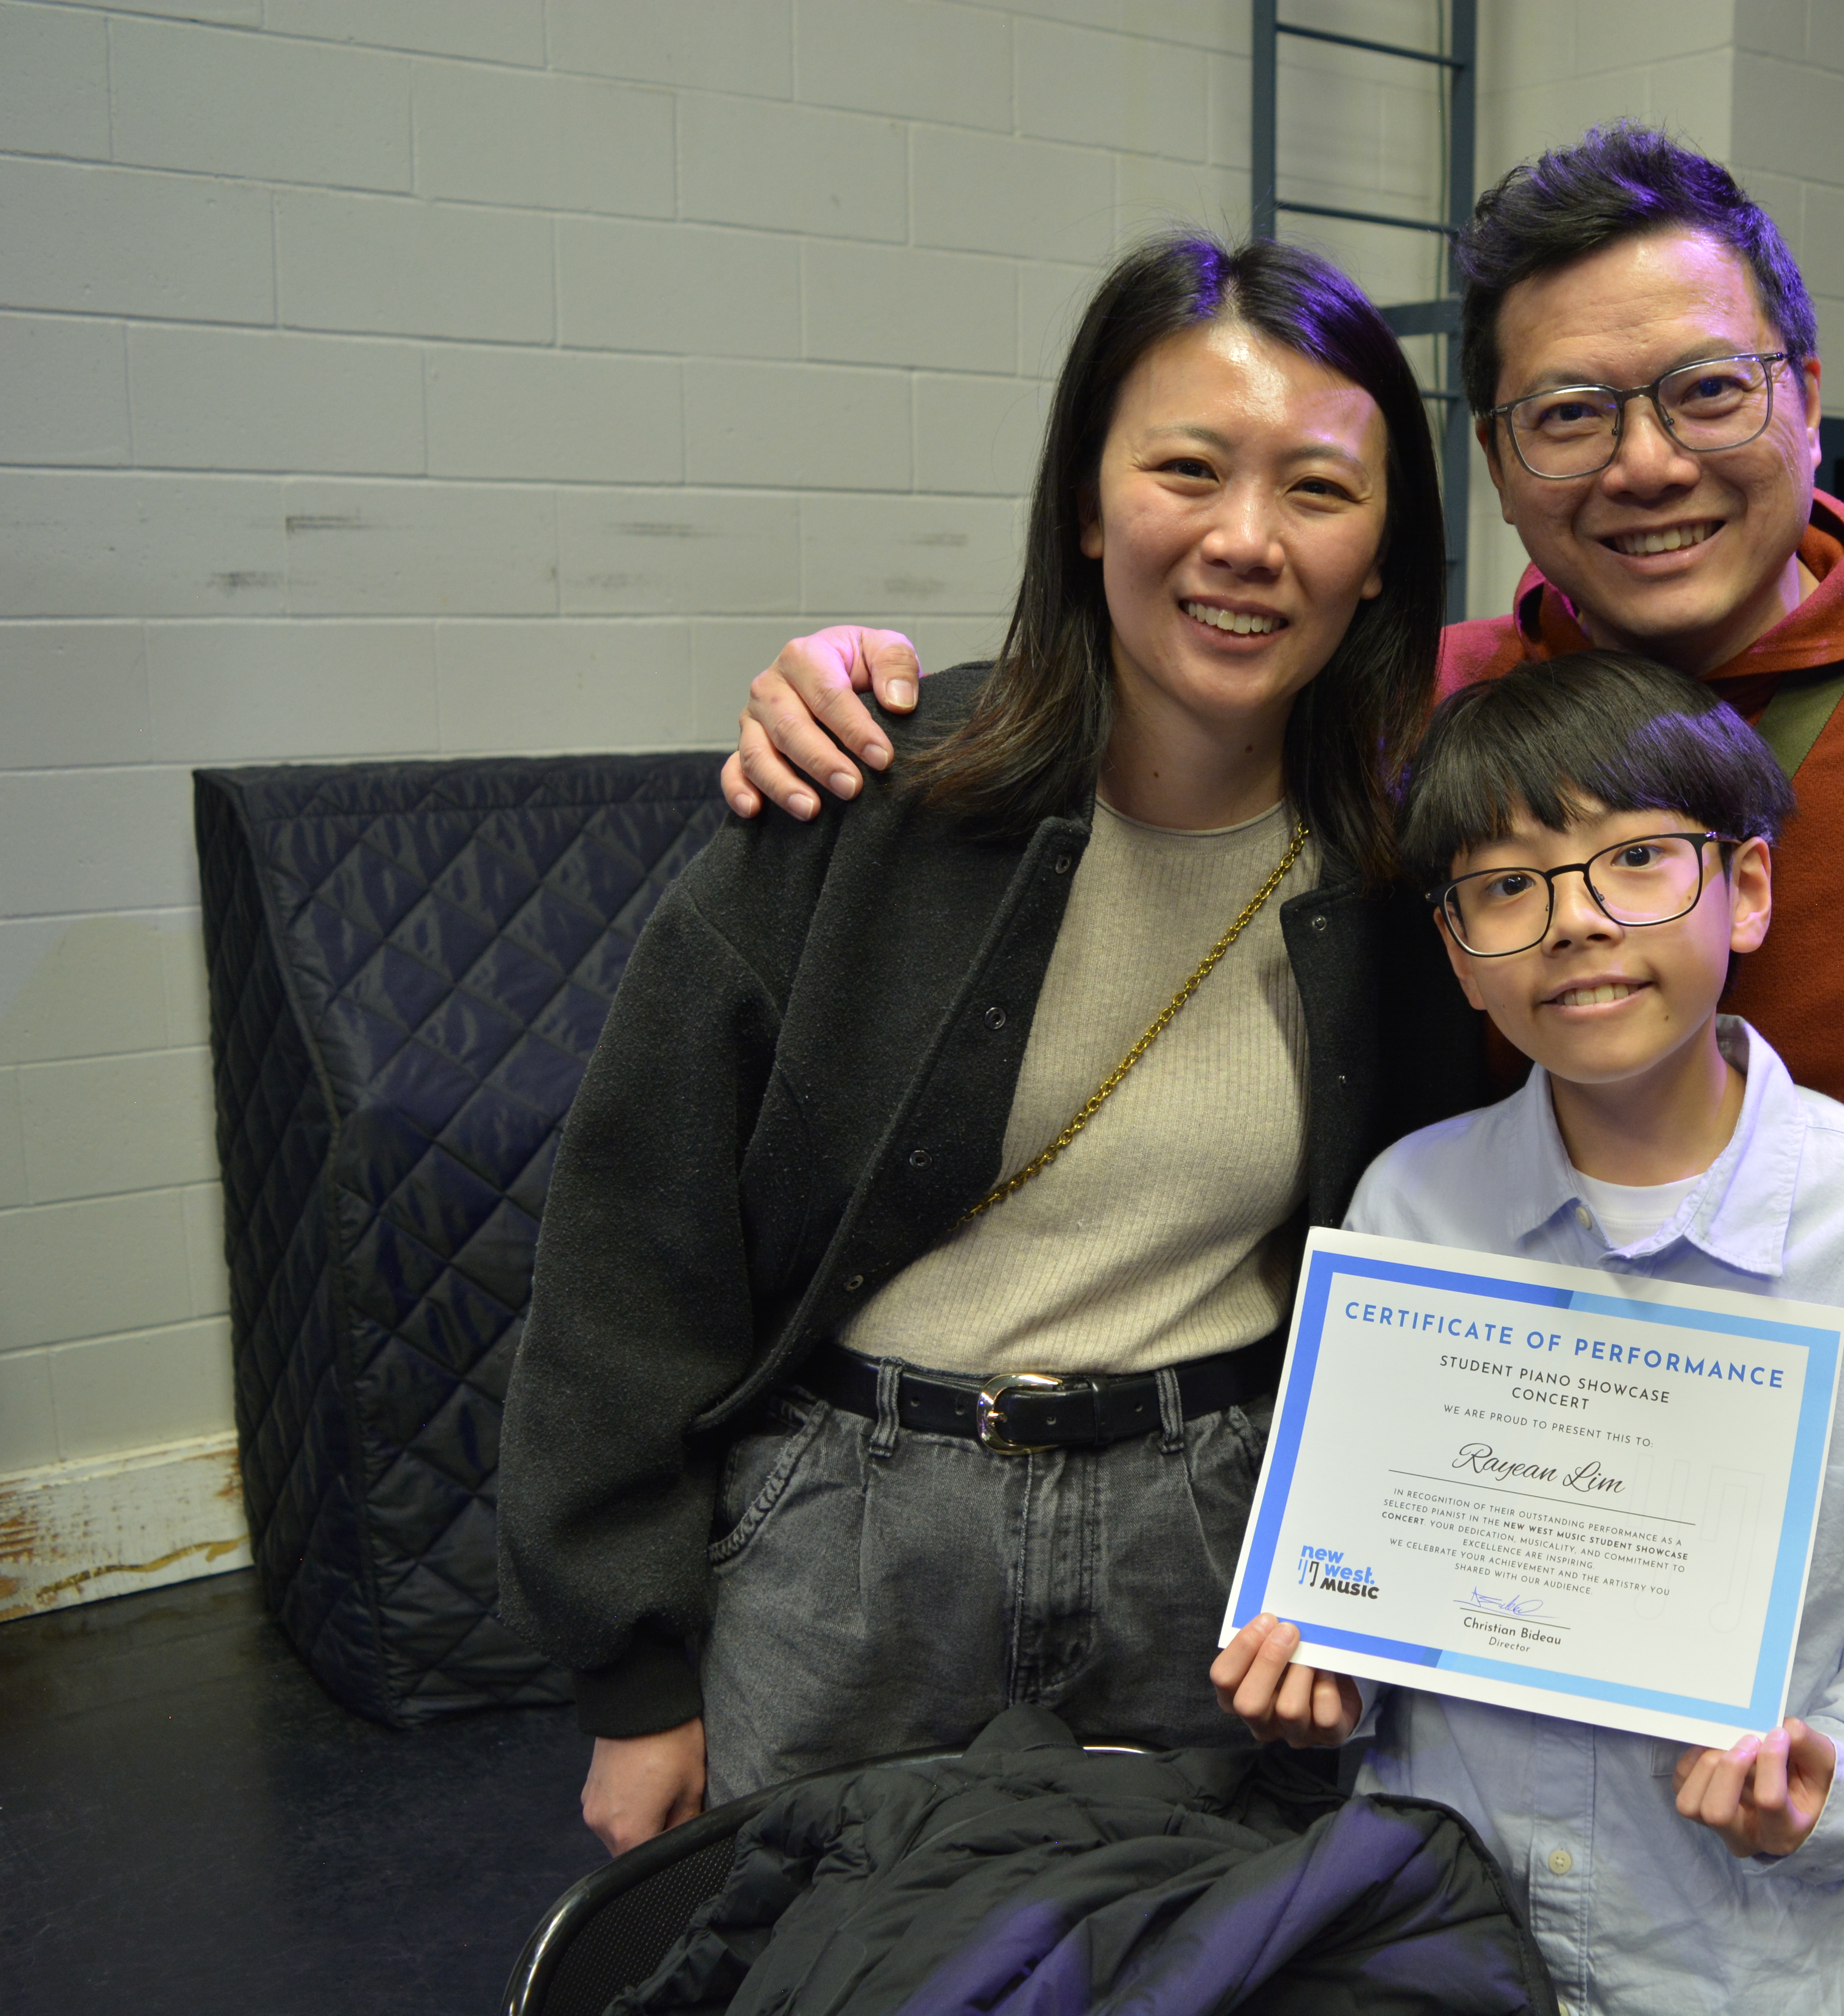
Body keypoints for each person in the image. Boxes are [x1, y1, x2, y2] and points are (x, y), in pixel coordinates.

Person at [719, 123, 1844, 1343]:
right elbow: (1155, 706)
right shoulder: (1405, 710)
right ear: (1499, 463)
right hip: (1478, 1422)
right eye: (1571, 414)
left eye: (1707, 391)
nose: (1646, 464)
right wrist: (865, 687)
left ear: (1807, 397)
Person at [498, 233, 1487, 1855]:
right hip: (855, 1537)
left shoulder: (1402, 879)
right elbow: (633, 1253)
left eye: (1319, 491)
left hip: (1211, 1545)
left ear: (1382, 554)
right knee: (803, 1942)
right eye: (1187, 469)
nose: (1247, 541)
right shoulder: (869, 795)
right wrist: (632, 1676)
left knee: (1185, 1952)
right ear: (1089, 505)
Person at [1210, 649, 1844, 2015]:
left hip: (1769, 1957)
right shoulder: (1411, 1206)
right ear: (1458, 954)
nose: (1575, 921)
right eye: (1505, 887)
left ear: (1745, 890)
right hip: (1462, 1932)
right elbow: (1372, 1550)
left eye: (1636, 860)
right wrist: (1326, 1667)